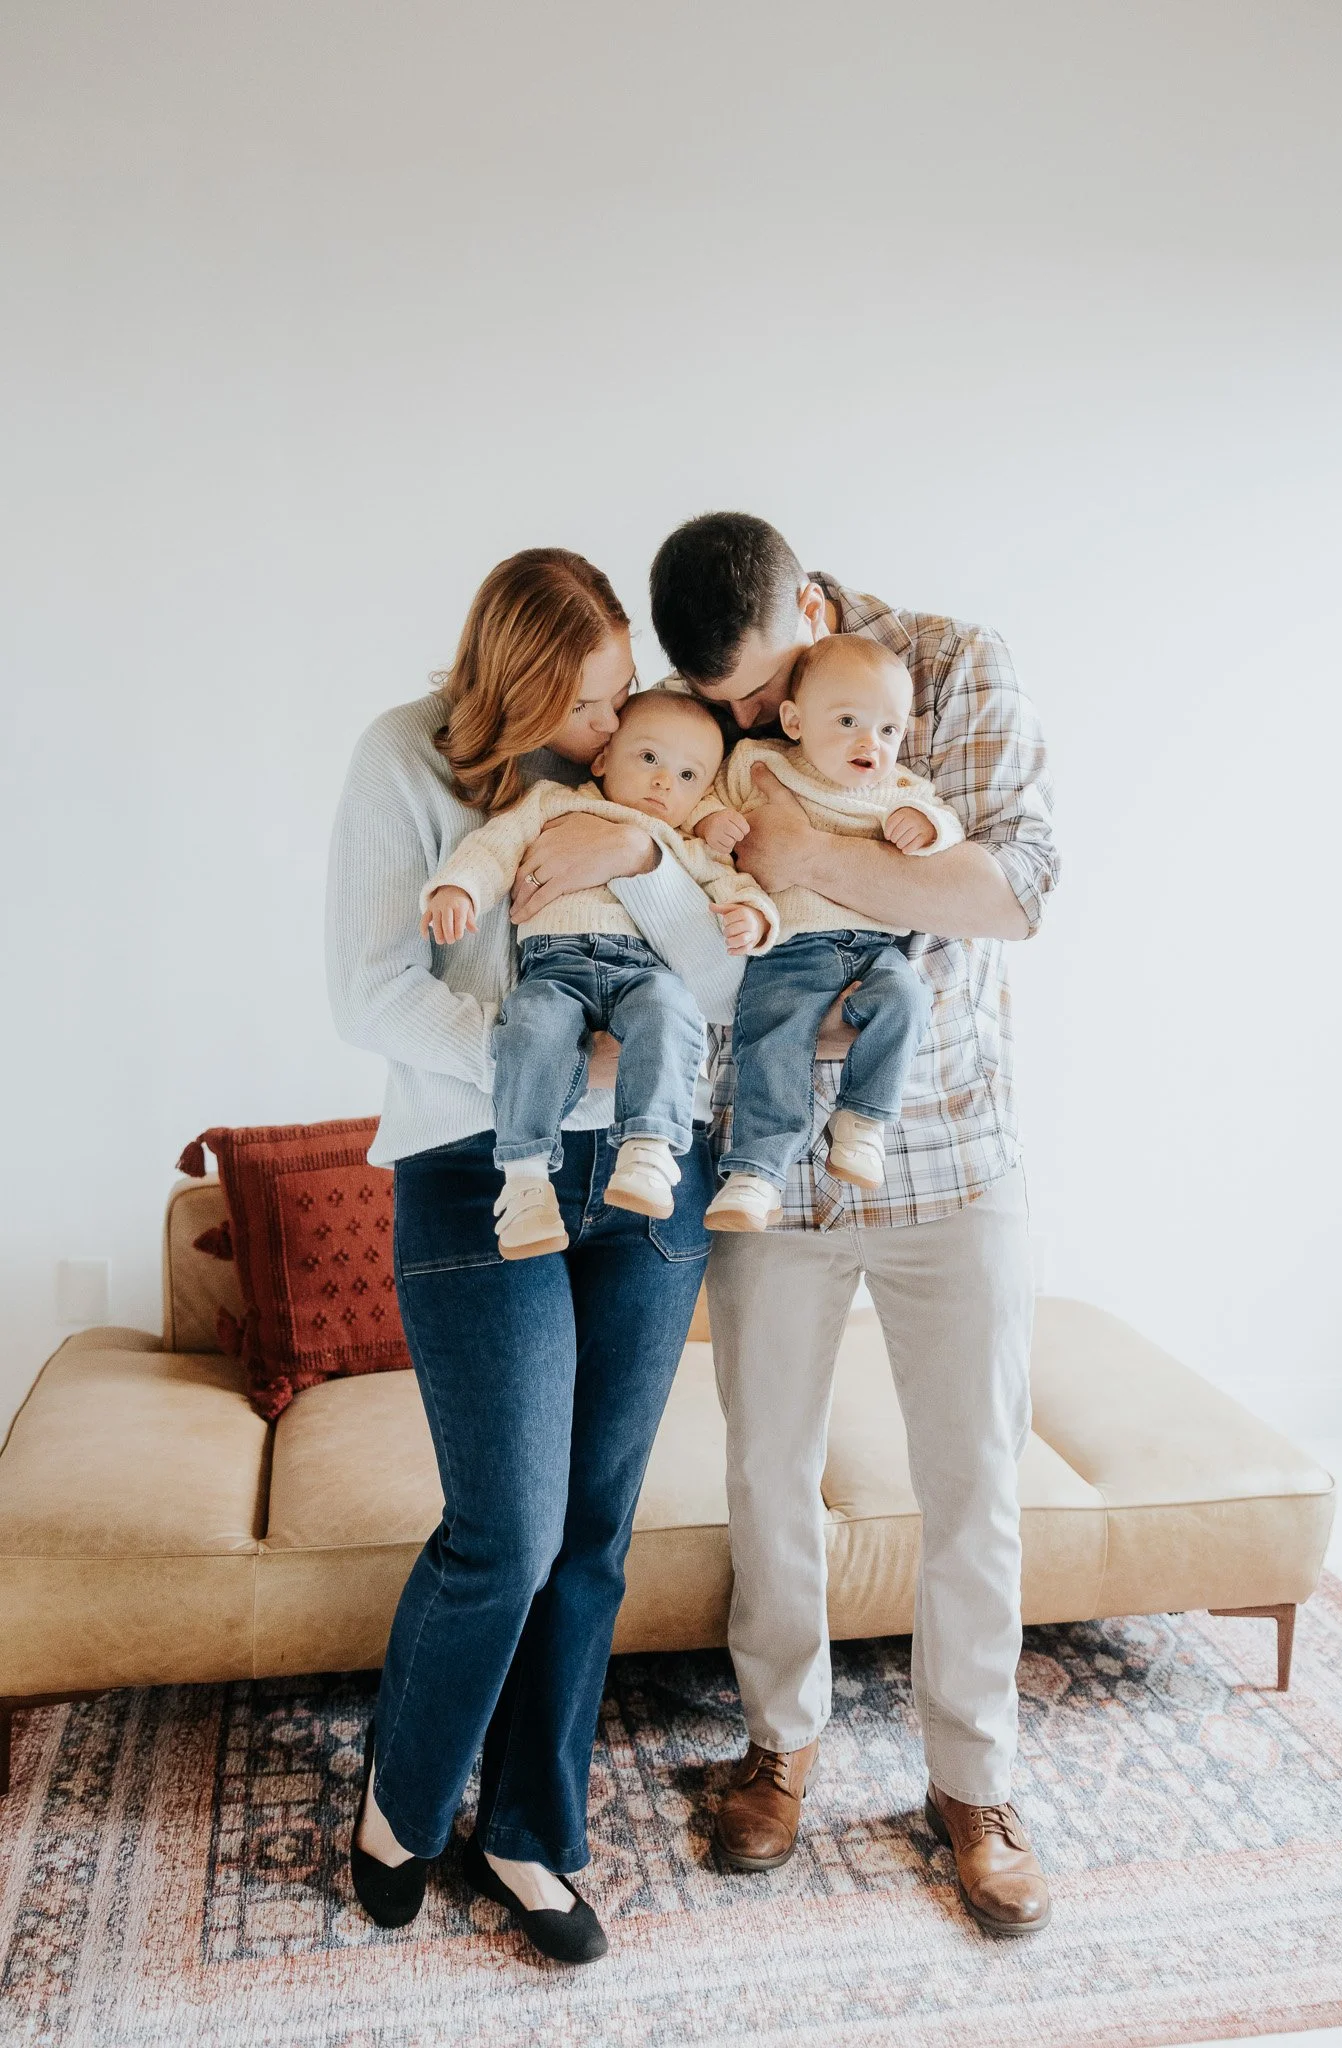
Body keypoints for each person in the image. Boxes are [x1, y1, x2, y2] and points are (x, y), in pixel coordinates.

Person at [649, 511, 1060, 1936]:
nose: (757, 724)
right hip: (769, 1158)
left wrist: (808, 868)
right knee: (766, 1465)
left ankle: (975, 1782)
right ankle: (779, 1746)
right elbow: (690, 906)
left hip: (954, 1152)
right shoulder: (706, 718)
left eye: (768, 694)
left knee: (972, 1480)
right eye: (731, 709)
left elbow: (1011, 891)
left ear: (816, 606)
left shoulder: (954, 668)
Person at [324, 548, 735, 1964]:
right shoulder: (404, 761)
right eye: (583, 705)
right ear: (509, 688)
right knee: (504, 1533)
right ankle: (404, 1801)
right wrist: (551, 1082)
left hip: (647, 1174)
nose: (611, 730)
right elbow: (369, 985)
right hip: (472, 1167)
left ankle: (528, 1831)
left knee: (593, 1534)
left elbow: (733, 977)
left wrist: (644, 852)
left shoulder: (654, 783)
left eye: (622, 694)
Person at [419, 689, 774, 1256]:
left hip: (641, 972)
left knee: (670, 1010)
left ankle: (650, 1149)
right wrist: (459, 887)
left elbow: (736, 889)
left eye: (687, 775)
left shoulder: (683, 844)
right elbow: (494, 846)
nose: (664, 784)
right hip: (554, 968)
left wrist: (753, 917)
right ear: (604, 758)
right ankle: (526, 1181)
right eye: (649, 759)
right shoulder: (552, 802)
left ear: (702, 793)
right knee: (531, 1026)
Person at [688, 635, 961, 1229]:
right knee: (771, 1041)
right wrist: (712, 821)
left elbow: (947, 820)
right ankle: (756, 1172)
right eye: (848, 722)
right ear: (794, 720)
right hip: (788, 946)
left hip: (875, 950)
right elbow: (702, 799)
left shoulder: (897, 791)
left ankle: (862, 1121)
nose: (872, 743)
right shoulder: (760, 764)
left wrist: (926, 825)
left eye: (889, 731)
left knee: (907, 1000)